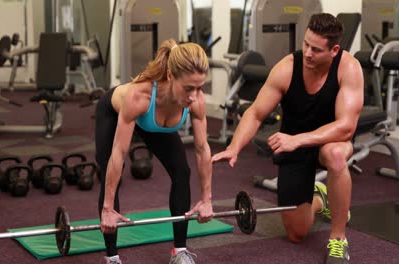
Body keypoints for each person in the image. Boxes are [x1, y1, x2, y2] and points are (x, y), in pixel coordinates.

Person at [212, 13, 363, 264]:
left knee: (335, 155)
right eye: (306, 44)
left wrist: (299, 139)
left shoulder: (349, 69)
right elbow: (256, 112)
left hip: (330, 141)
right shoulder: (287, 68)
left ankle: (338, 239)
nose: (308, 53)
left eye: (316, 49)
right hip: (295, 145)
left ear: (334, 50)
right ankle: (320, 199)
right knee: (297, 233)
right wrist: (234, 146)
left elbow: (346, 128)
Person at [95, 39, 214, 264]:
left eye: (199, 88)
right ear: (170, 76)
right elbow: (119, 153)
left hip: (155, 121)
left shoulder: (196, 100)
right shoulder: (138, 96)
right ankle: (111, 257)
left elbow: (202, 149)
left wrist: (207, 198)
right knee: (113, 172)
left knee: (181, 171)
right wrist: (108, 207)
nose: (193, 96)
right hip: (114, 113)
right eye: (188, 88)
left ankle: (179, 252)